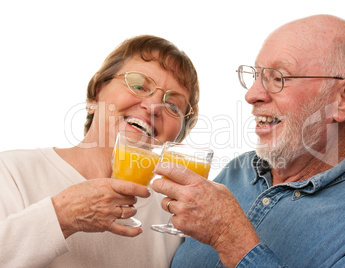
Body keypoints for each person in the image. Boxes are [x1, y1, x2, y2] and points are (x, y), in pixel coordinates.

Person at [151, 14, 345, 267]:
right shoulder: (237, 172)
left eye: (278, 77)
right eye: (257, 75)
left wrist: (232, 240)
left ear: (343, 99)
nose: (252, 95)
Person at [0, 35, 199, 267]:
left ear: (179, 135)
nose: (153, 106)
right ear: (95, 95)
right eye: (138, 85)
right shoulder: (11, 172)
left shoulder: (172, 219)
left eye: (173, 105)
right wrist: (64, 215)